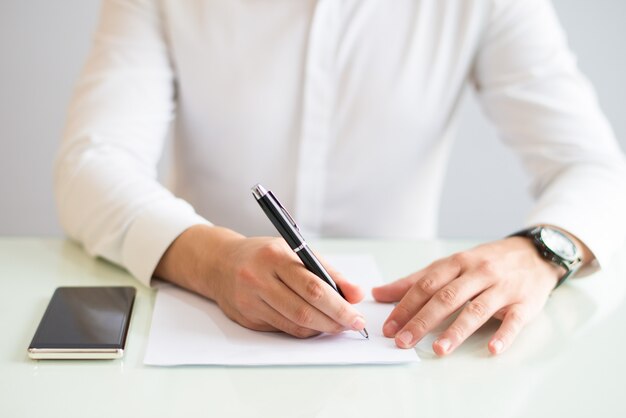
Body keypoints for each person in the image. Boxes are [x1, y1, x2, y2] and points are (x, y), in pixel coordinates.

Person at [54, 0, 626, 356]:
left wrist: (539, 251)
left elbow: (596, 166)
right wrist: (212, 260)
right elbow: (91, 165)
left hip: (403, 346)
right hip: (206, 325)